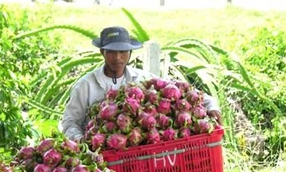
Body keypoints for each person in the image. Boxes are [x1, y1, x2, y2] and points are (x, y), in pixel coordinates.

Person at [59, 26, 222, 142]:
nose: (118, 58)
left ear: (130, 53)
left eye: (123, 52)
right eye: (112, 52)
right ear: (102, 52)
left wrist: (212, 106)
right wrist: (82, 141)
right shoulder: (86, 85)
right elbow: (70, 122)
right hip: (102, 156)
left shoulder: (144, 79)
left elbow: (180, 91)